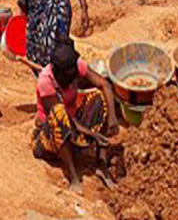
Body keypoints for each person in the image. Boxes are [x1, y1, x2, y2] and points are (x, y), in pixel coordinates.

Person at [31, 41, 118, 193]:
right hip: (51, 138)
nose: (72, 80)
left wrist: (112, 118)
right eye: (68, 77)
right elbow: (63, 119)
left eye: (74, 75)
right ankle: (73, 178)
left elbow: (105, 85)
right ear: (58, 73)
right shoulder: (46, 81)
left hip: (74, 128)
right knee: (59, 113)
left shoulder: (75, 66)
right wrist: (92, 134)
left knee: (98, 97)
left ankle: (101, 163)